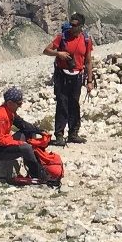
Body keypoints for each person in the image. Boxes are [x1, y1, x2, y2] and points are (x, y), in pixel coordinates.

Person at [43, 12, 94, 144]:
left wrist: (89, 81)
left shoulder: (86, 40)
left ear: (81, 26)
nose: (71, 27)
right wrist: (58, 53)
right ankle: (59, 135)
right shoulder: (62, 37)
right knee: (62, 104)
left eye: (74, 25)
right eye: (70, 24)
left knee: (74, 105)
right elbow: (46, 50)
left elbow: (88, 61)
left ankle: (73, 134)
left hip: (77, 76)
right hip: (62, 75)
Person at [0, 87, 54, 184]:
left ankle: (34, 162)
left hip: (5, 142)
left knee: (29, 133)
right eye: (18, 104)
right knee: (25, 147)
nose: (20, 106)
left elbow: (22, 124)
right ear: (10, 103)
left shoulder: (9, 111)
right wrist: (19, 143)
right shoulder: (1, 117)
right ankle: (38, 175)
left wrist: (40, 131)